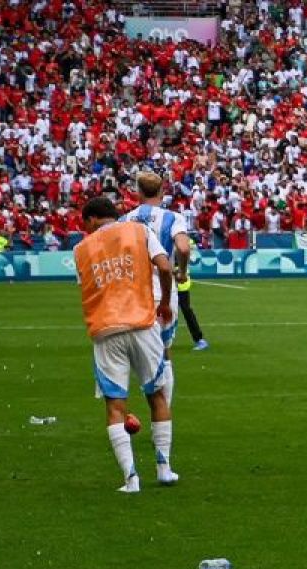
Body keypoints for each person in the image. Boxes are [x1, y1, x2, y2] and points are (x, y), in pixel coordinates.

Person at [73, 196, 178, 493]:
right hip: (143, 324)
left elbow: (86, 284)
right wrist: (166, 303)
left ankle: (131, 479)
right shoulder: (140, 231)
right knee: (157, 395)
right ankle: (164, 468)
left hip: (106, 329)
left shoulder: (81, 249)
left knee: (115, 406)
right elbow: (165, 267)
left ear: (92, 219)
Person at [121, 173, 193, 404]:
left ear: (138, 193)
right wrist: (181, 272)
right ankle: (163, 414)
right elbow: (183, 248)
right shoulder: (173, 218)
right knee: (163, 350)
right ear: (162, 192)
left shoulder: (125, 220)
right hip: (162, 287)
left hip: (133, 289)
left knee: (131, 349)